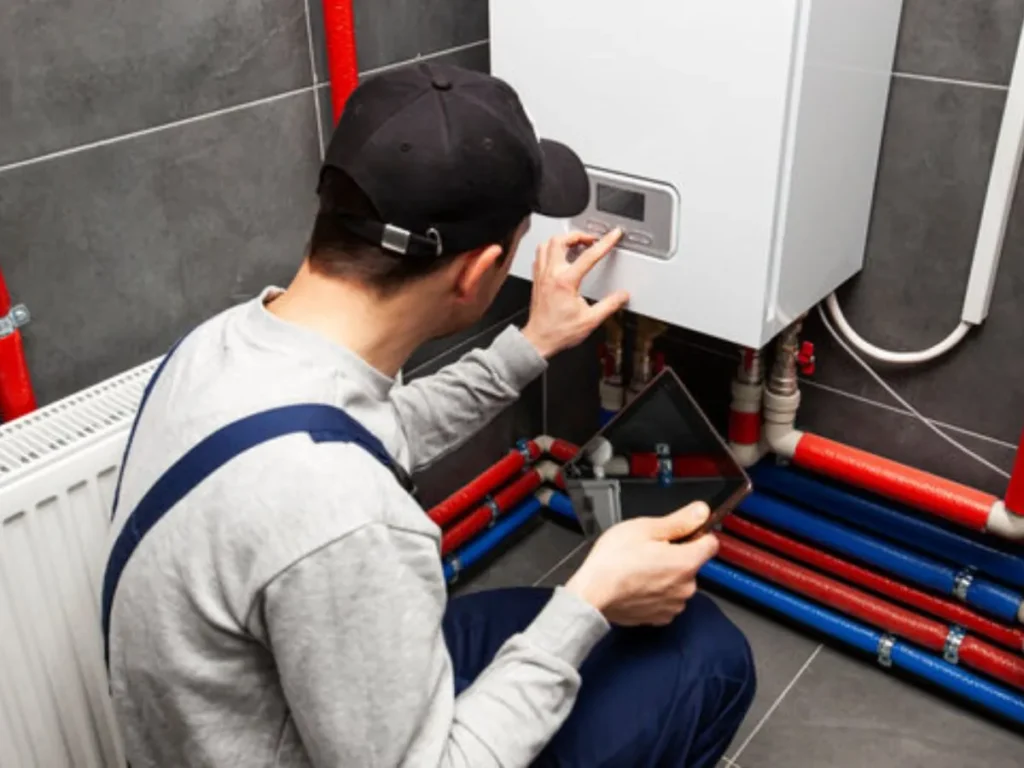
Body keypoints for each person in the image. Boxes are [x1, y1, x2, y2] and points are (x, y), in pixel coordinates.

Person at [103, 63, 755, 768]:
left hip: (260, 711)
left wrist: (531, 344)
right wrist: (591, 597)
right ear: (476, 273)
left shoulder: (221, 346)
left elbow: (368, 432)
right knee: (711, 658)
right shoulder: (344, 518)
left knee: (614, 635)